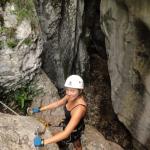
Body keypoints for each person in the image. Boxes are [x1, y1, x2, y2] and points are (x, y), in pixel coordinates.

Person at [33, 75, 87, 150]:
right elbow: (57, 103)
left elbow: (66, 133)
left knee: (75, 142)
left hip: (75, 129)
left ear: (80, 91)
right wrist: (41, 109)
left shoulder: (79, 109)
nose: (69, 93)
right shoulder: (70, 96)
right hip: (70, 123)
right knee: (76, 142)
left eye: (72, 90)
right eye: (67, 89)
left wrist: (43, 142)